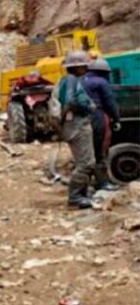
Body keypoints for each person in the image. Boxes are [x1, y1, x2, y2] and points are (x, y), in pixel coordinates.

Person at [55, 50, 98, 209]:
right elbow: (71, 101)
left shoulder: (69, 80)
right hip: (78, 125)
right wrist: (87, 107)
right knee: (86, 163)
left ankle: (82, 193)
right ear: (78, 67)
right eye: (84, 66)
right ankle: (75, 198)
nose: (87, 69)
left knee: (87, 161)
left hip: (74, 125)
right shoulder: (72, 80)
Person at [83, 57, 122, 191]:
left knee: (87, 151)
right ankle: (102, 183)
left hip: (80, 119)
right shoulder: (101, 82)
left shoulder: (79, 80)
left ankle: (85, 184)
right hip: (96, 116)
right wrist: (116, 118)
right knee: (100, 150)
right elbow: (110, 102)